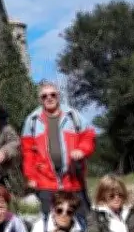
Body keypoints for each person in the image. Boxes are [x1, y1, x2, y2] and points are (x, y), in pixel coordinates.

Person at [21, 80, 96, 216]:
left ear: (58, 96)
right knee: (50, 223)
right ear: (40, 99)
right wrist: (31, 177)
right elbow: (28, 152)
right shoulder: (32, 120)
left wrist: (82, 150)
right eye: (44, 96)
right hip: (45, 182)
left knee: (82, 221)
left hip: (73, 180)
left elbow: (88, 136)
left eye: (53, 95)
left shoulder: (73, 115)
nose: (49, 98)